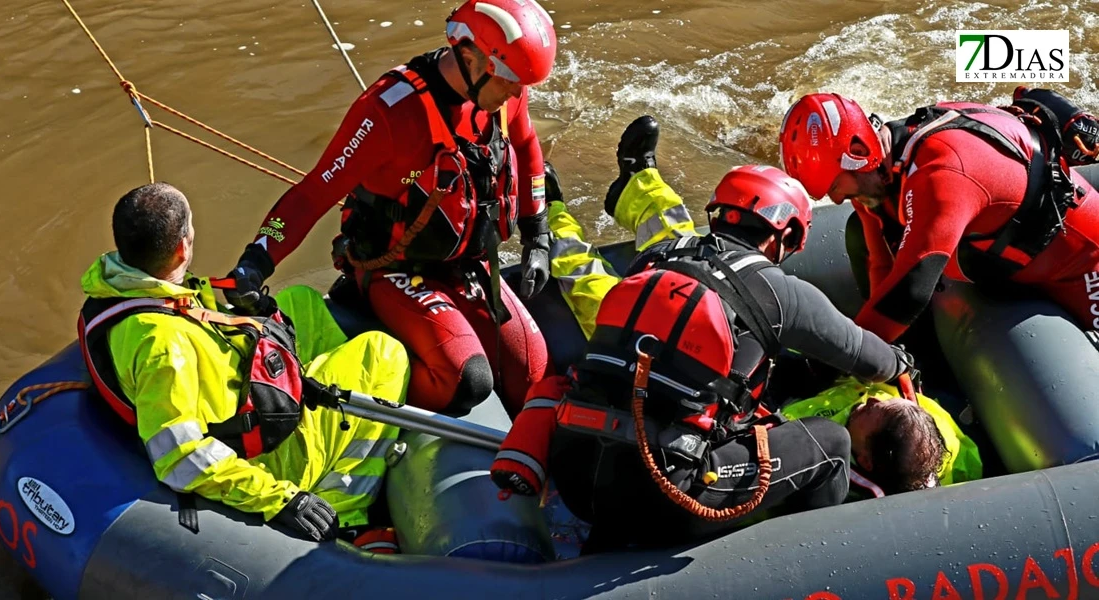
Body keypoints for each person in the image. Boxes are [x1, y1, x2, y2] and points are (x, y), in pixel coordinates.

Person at [491, 117, 921, 550]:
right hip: (663, 493)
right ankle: (812, 562)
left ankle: (559, 209)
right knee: (830, 444)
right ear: (784, 234)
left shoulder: (659, 256)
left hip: (576, 472)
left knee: (602, 295)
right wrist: (901, 362)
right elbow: (870, 357)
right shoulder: (781, 292)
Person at [222, 0, 558, 418]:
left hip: (464, 264)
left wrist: (537, 234)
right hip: (392, 267)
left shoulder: (504, 94)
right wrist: (256, 260)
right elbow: (314, 193)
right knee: (467, 382)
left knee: (532, 373)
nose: (516, 92)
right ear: (470, 57)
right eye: (510, 79)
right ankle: (355, 365)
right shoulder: (388, 112)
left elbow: (526, 147)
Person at [78, 183, 410, 549]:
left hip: (229, 390)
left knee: (302, 302)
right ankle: (348, 513)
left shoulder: (119, 287)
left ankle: (315, 390)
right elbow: (181, 457)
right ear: (182, 247)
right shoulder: (163, 350)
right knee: (383, 353)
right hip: (259, 451)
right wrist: (280, 500)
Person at [778, 87, 1099, 343]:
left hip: (1080, 262)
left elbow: (910, 290)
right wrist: (888, 354)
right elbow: (881, 265)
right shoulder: (875, 170)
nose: (835, 199)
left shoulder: (940, 172)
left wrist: (857, 358)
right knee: (857, 232)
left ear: (859, 152)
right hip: (997, 260)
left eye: (834, 185)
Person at [780, 376, 981, 496]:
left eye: (868, 412)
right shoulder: (959, 459)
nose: (872, 400)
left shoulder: (810, 448)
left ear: (865, 460)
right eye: (887, 402)